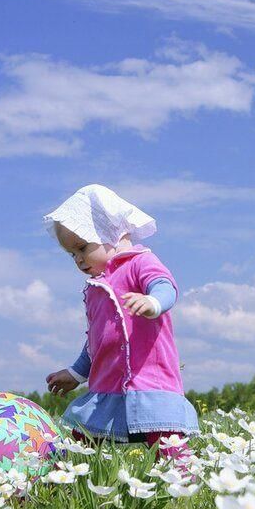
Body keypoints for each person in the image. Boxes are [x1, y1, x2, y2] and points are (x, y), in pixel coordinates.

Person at [42, 184, 199, 462]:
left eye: (82, 247)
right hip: (106, 386)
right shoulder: (95, 287)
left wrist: (153, 303)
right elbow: (96, 339)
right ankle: (66, 481)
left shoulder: (139, 262)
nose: (78, 259)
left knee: (165, 442)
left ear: (110, 233)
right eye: (72, 254)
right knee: (84, 442)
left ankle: (183, 487)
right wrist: (76, 373)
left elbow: (165, 286)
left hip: (150, 379)